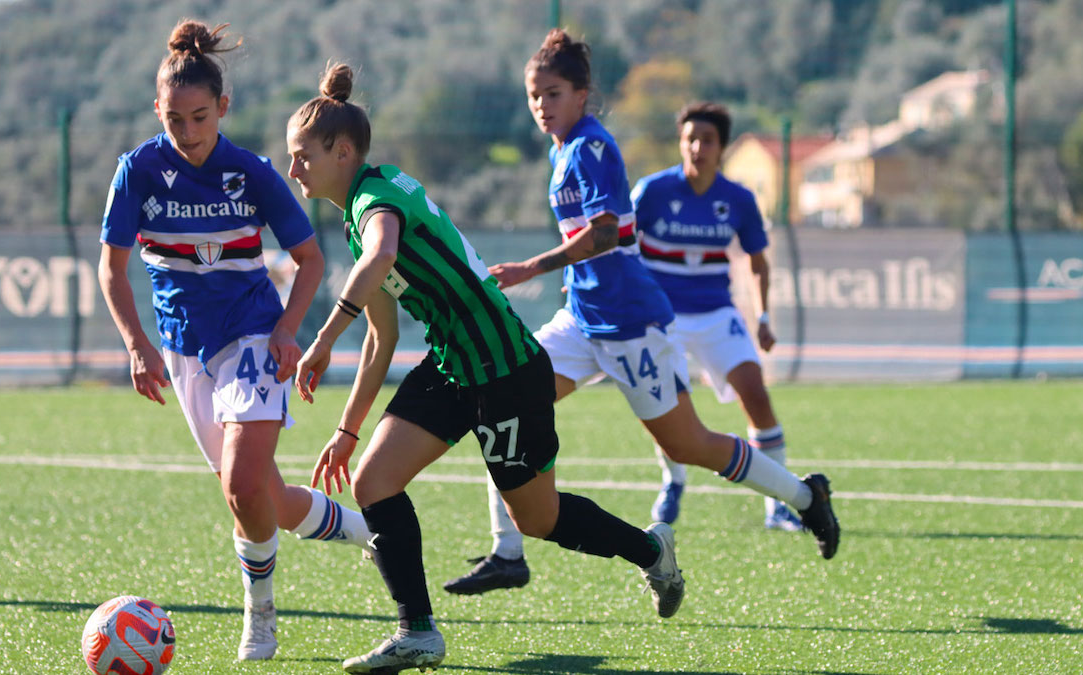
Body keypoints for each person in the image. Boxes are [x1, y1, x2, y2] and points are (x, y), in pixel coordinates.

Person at [287, 61, 684, 674]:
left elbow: (382, 254)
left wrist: (320, 338)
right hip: (452, 368)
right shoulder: (362, 204)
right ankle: (417, 631)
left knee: (540, 519)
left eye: (301, 156)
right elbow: (382, 337)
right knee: (372, 484)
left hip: (505, 370)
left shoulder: (376, 198)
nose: (294, 170)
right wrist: (346, 430)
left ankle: (651, 549)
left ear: (341, 151)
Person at [443, 29, 839, 597]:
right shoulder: (562, 151)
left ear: (582, 94)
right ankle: (508, 554)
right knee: (502, 398)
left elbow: (604, 234)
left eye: (552, 94)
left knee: (690, 444)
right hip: (583, 320)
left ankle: (807, 497)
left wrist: (532, 268)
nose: (541, 107)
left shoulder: (591, 148)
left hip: (631, 323)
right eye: (534, 96)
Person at [97, 20, 370, 663]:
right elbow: (111, 267)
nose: (187, 132)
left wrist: (284, 330)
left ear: (223, 107)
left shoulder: (250, 173)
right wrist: (138, 346)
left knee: (245, 484)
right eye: (173, 119)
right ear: (156, 110)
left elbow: (309, 260)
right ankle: (370, 532)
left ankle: (261, 613)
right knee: (263, 497)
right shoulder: (137, 171)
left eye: (198, 116)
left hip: (251, 333)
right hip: (184, 349)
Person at [632, 101, 801, 530]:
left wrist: (762, 317)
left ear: (721, 148)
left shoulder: (738, 199)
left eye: (707, 140)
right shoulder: (652, 191)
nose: (697, 147)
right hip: (661, 317)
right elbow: (621, 247)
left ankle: (777, 505)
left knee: (756, 396)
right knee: (667, 407)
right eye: (690, 138)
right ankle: (673, 482)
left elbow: (758, 263)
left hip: (715, 313)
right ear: (680, 143)